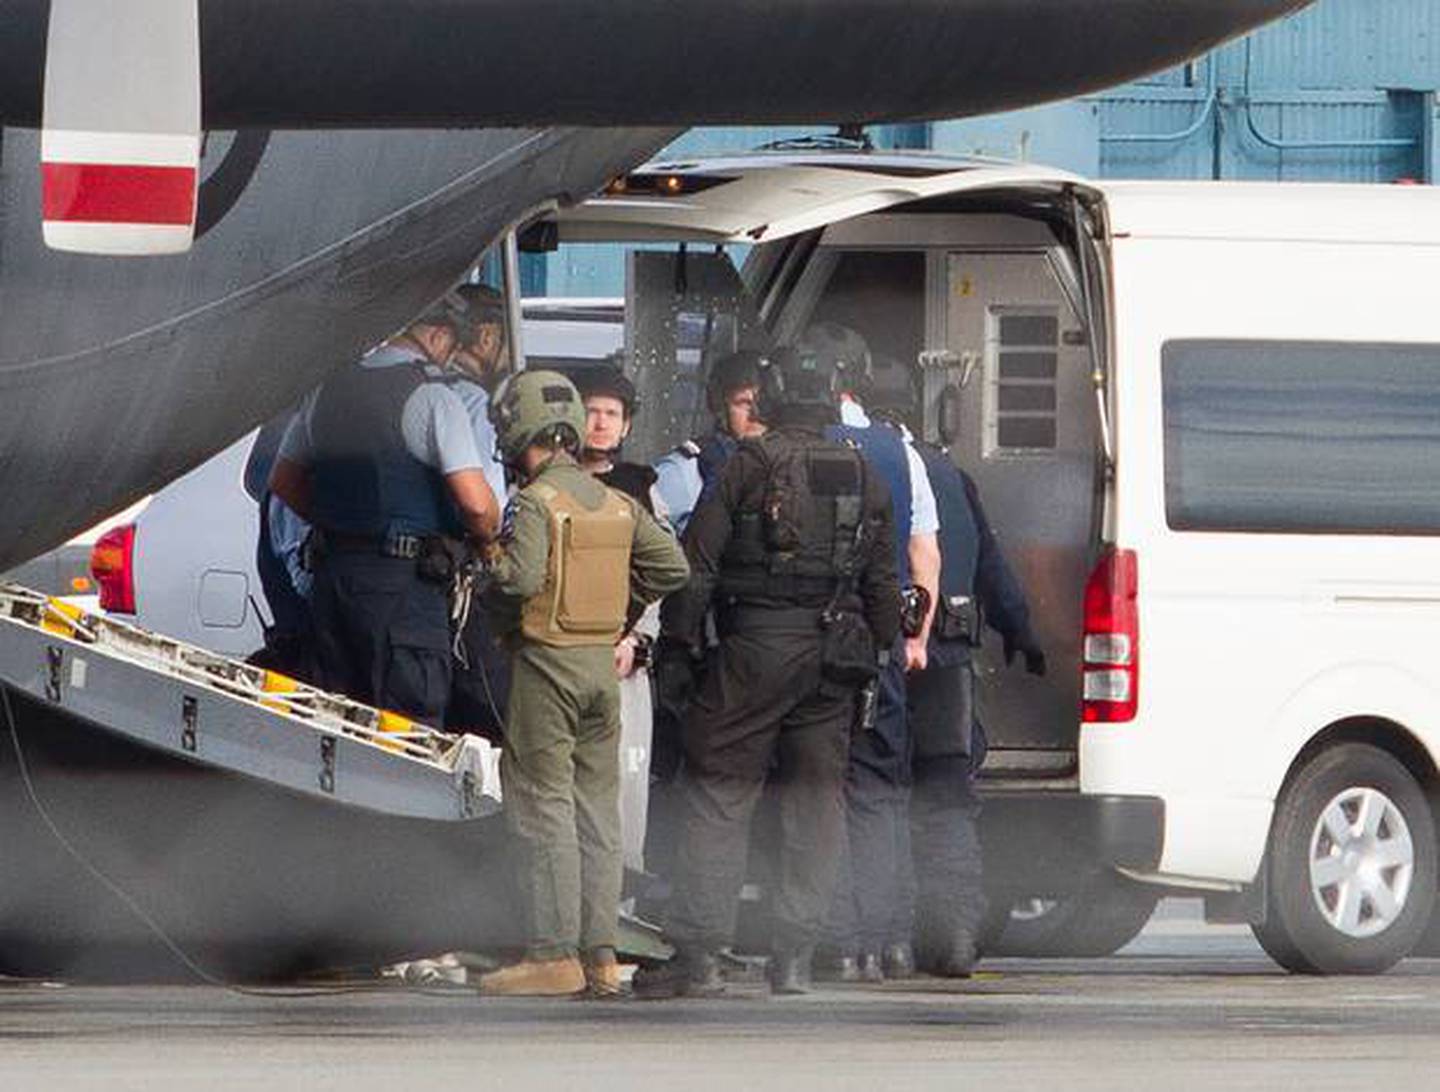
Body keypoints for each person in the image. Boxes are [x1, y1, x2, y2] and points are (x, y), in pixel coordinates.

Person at [636, 348, 900, 999]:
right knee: (815, 803)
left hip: (754, 645)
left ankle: (699, 953)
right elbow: (884, 585)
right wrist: (879, 652)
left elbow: (696, 565)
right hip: (834, 657)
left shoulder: (748, 463)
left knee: (720, 791)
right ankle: (795, 958)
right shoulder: (865, 472)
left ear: (773, 395)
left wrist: (677, 646)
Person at [476, 370, 689, 998]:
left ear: (525, 432)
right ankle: (600, 954)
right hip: (601, 669)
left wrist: (488, 570)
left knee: (543, 807)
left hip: (547, 666)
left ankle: (551, 954)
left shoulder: (535, 502)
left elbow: (518, 581)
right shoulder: (618, 502)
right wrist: (623, 611)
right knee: (599, 813)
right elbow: (671, 568)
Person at [268, 301, 501, 723]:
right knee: (407, 727)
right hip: (403, 590)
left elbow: (283, 480)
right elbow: (476, 503)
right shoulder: (433, 396)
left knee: (333, 721)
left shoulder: (327, 391)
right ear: (437, 337)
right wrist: (487, 542)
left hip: (332, 580)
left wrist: (340, 524)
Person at [802, 322, 941, 984]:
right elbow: (924, 553)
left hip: (810, 637)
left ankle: (838, 939)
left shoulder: (798, 442)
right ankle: (890, 943)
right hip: (880, 641)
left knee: (814, 787)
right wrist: (915, 637)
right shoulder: (900, 450)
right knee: (880, 791)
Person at [574, 365, 670, 872]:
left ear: (627, 425)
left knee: (625, 779)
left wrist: (637, 639)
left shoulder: (642, 488)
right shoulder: (545, 481)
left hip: (620, 658)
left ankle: (619, 900)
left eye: (612, 413)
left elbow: (661, 574)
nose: (601, 422)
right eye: (591, 411)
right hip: (560, 656)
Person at [652, 349, 767, 535]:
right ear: (719, 405)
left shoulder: (792, 466)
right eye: (743, 403)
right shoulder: (682, 473)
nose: (757, 413)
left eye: (766, 403)